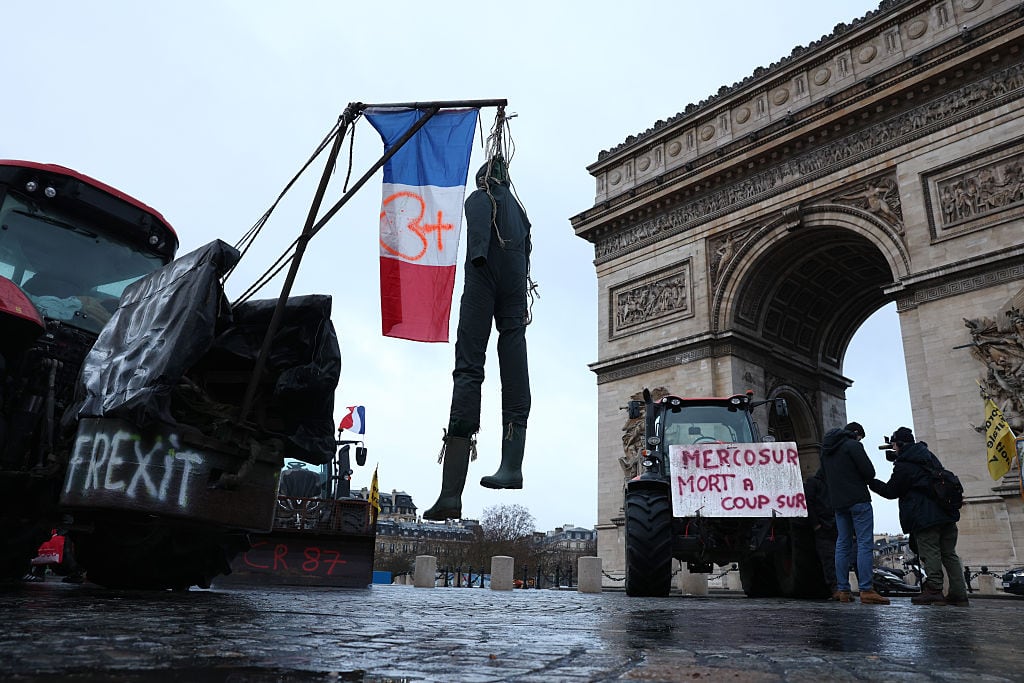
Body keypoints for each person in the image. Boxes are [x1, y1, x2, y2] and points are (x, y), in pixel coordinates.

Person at [424, 155, 533, 520]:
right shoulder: (520, 211)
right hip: (516, 288)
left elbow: (477, 240)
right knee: (515, 361)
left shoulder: (479, 197)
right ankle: (511, 465)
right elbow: (527, 252)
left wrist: (479, 257)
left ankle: (451, 493)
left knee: (469, 369)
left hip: (483, 279)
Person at [869, 427, 970, 606]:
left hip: (925, 516)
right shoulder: (928, 457)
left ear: (899, 444)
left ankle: (934, 590)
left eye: (894, 445)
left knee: (930, 553)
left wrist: (871, 482)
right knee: (949, 554)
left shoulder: (905, 464)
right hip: (946, 513)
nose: (893, 448)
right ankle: (959, 593)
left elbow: (891, 491)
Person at [819, 421, 890, 605]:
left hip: (838, 503)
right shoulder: (853, 445)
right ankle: (866, 590)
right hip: (858, 500)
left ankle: (843, 590)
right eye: (861, 437)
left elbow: (824, 477)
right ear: (856, 433)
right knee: (865, 543)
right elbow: (869, 472)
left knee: (842, 544)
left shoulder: (826, 451)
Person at [804, 466, 839, 599]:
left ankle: (838, 588)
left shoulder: (822, 482)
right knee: (829, 558)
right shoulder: (816, 483)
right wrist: (816, 525)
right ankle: (835, 587)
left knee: (833, 558)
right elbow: (809, 503)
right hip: (825, 525)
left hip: (830, 524)